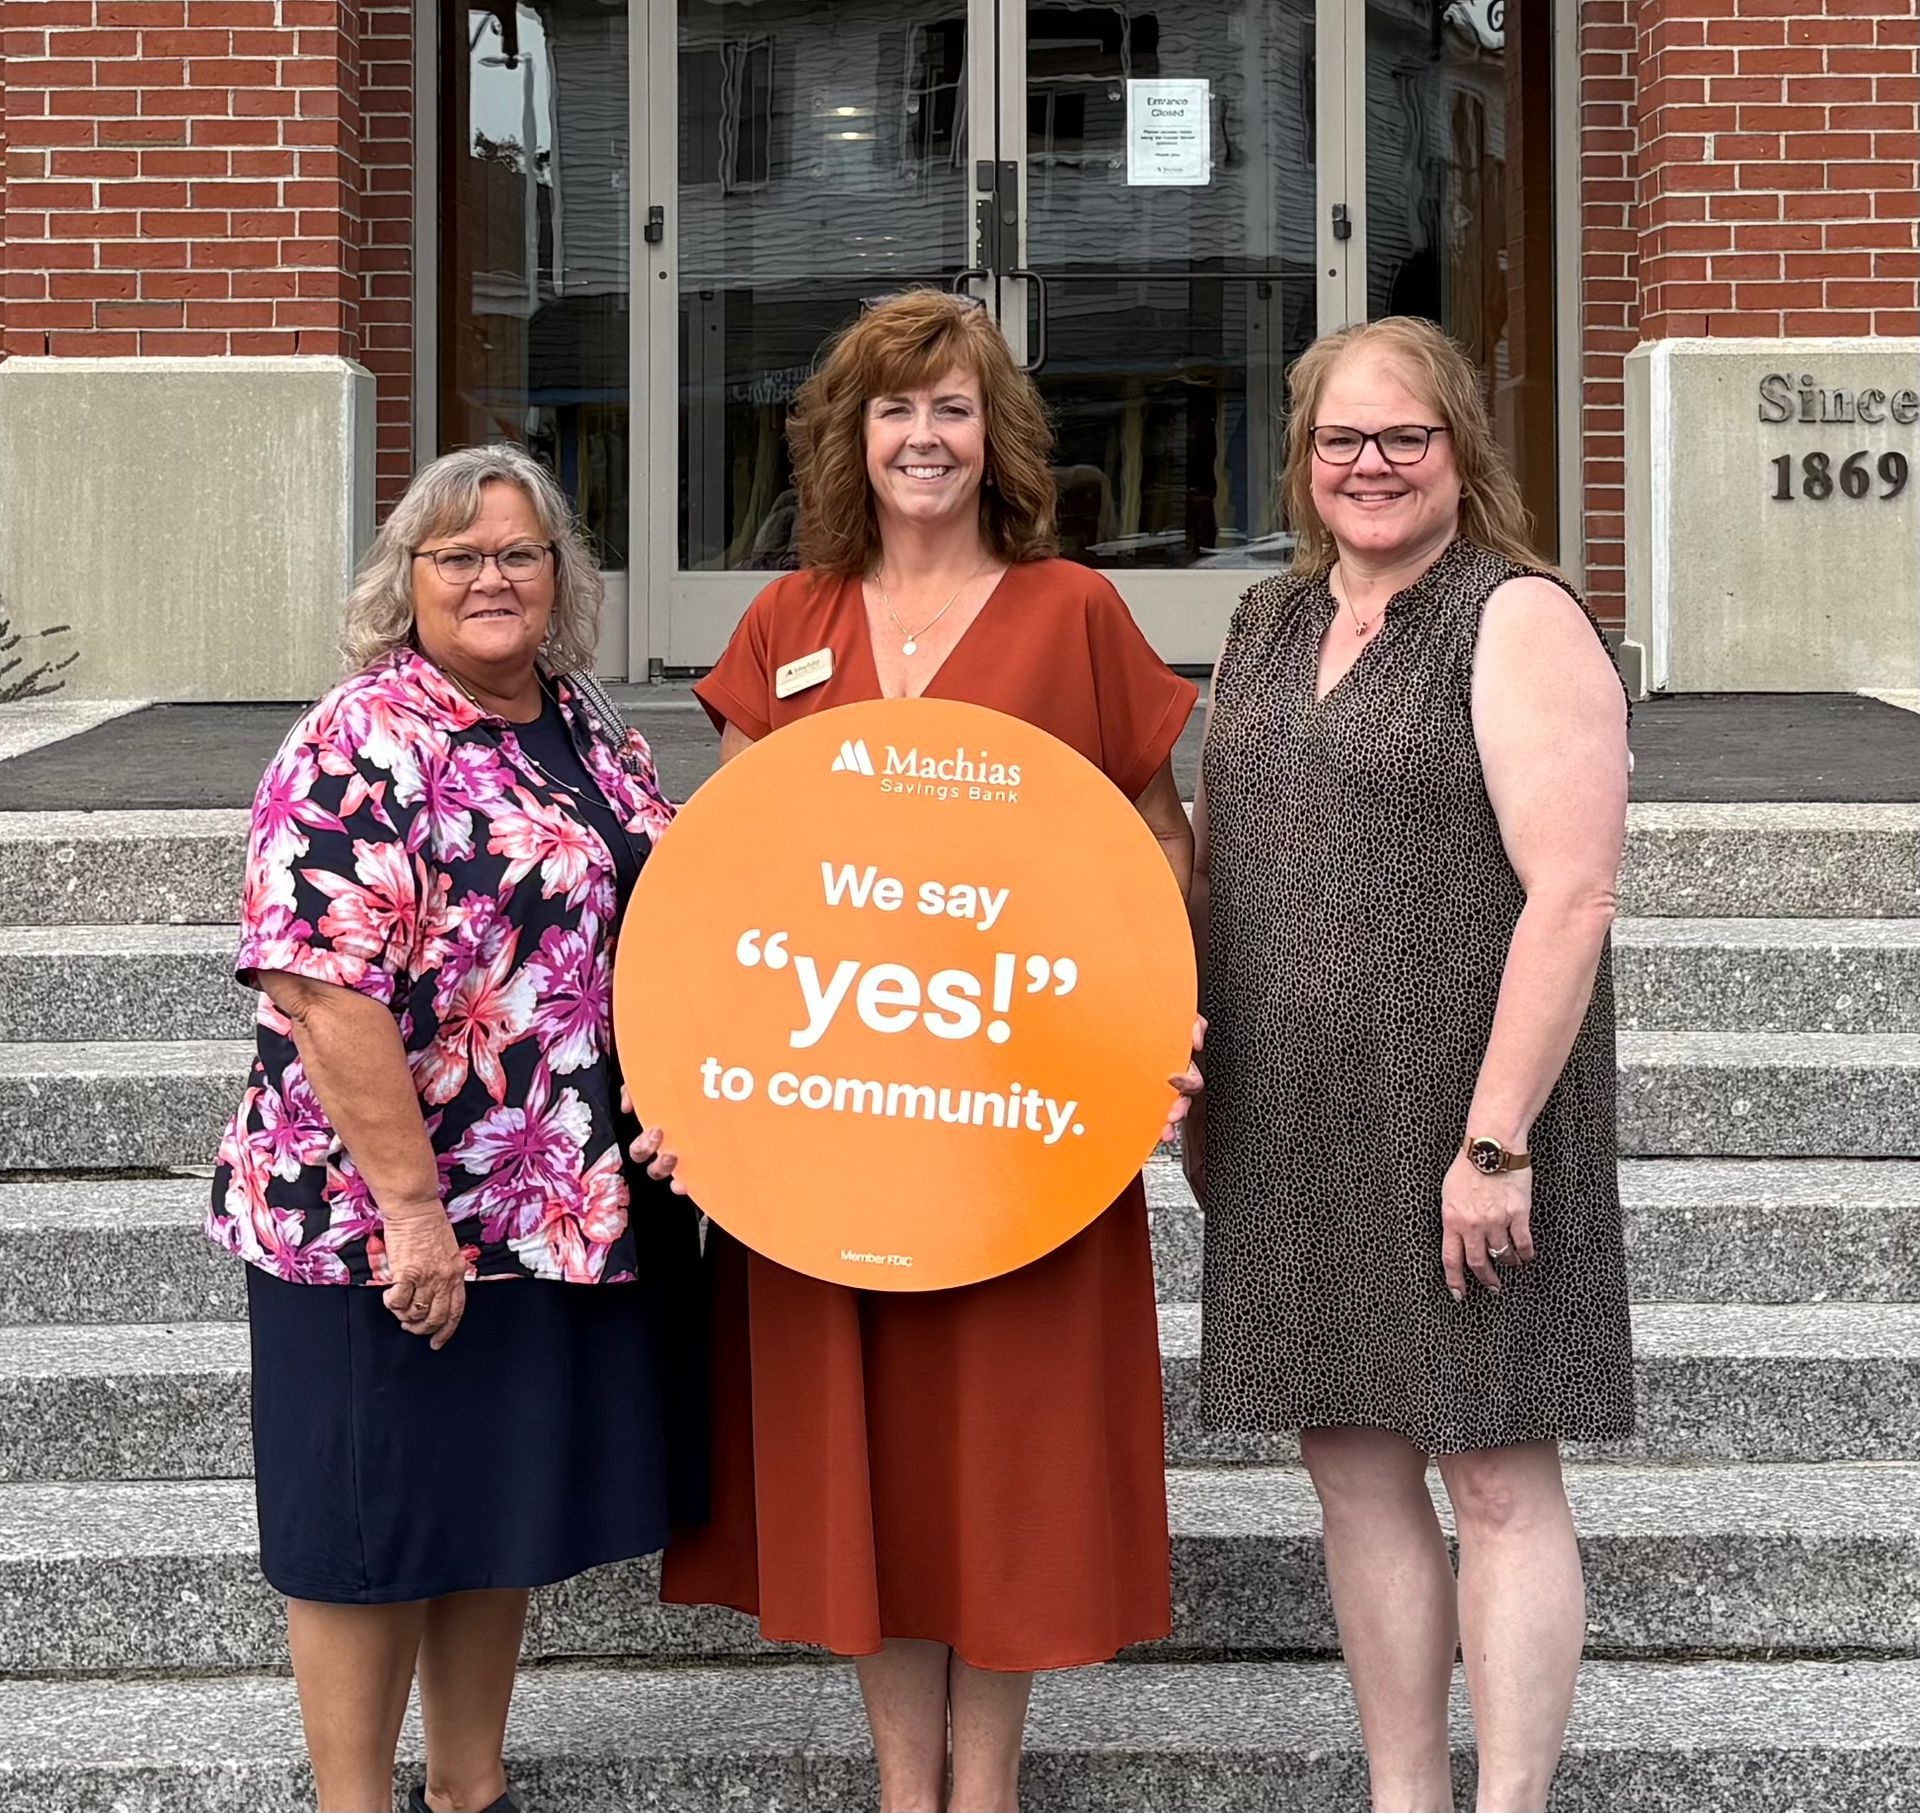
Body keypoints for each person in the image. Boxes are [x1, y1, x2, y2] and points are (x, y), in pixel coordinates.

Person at [654, 288, 1199, 1813]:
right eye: (895, 408)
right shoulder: (790, 622)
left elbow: (1155, 845)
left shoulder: (1073, 609)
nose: (923, 435)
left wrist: (1156, 1017)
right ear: (851, 434)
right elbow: (732, 880)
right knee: (874, 1464)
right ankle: (907, 1789)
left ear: (996, 434)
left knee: (998, 1454)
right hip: (834, 1115)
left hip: (1018, 1123)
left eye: (953, 406)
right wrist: (695, 1081)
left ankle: (990, 1785)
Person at [206, 443, 705, 1813]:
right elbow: (320, 983)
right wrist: (413, 1209)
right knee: (367, 1534)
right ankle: (354, 1802)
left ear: (562, 578)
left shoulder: (583, 718)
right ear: (404, 582)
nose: (492, 577)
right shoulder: (358, 737)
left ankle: (469, 1791)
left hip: (540, 1197)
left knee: (491, 1510)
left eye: (519, 553)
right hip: (378, 1213)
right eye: (458, 556)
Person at [1189, 316, 1633, 1813]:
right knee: (1355, 1469)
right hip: (1297, 1117)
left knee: (1496, 1473)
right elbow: (1228, 871)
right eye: (1341, 440)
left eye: (1406, 439)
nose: (1370, 466)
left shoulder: (1515, 614)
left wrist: (1498, 1135)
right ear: (1303, 454)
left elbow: (1571, 892)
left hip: (1468, 1114)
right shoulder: (1264, 622)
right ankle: (1405, 1797)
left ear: (1459, 449)